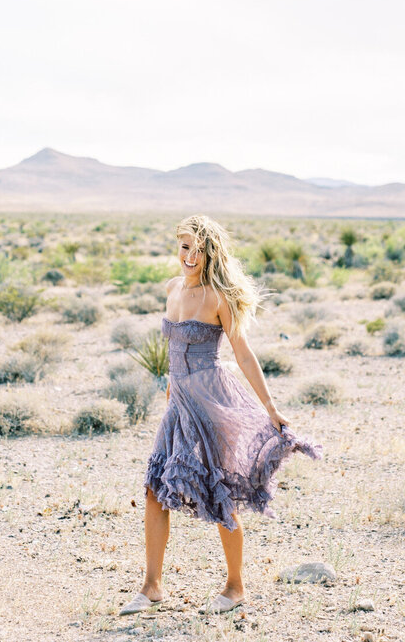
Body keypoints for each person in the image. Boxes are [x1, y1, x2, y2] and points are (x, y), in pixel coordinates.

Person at [119, 215, 322, 617]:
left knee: (219, 490)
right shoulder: (171, 289)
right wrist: (170, 387)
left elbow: (242, 353)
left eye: (198, 249)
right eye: (183, 247)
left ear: (210, 254)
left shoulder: (217, 297)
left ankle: (235, 587)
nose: (189, 256)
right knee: (154, 488)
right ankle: (152, 586)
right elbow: (175, 351)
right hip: (178, 404)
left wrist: (270, 407)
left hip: (211, 401)